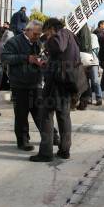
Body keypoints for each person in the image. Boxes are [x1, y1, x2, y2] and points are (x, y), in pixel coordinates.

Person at [30, 18, 81, 162]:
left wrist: (48, 41)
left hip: (57, 83)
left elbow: (58, 46)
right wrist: (47, 63)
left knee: (46, 115)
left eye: (45, 33)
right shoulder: (71, 36)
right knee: (64, 116)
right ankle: (64, 150)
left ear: (51, 29)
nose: (45, 36)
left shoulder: (62, 34)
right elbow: (62, 57)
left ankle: (46, 153)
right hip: (67, 81)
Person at [2, 20, 45, 151]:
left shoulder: (38, 43)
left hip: (35, 82)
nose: (37, 37)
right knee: (21, 114)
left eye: (39, 34)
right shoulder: (13, 42)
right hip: (19, 84)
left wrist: (41, 61)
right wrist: (26, 58)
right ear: (27, 30)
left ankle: (51, 136)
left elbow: (40, 56)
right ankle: (23, 140)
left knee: (40, 112)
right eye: (35, 34)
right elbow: (5, 58)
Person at [93, 20, 104, 91]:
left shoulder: (101, 32)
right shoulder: (97, 31)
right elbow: (101, 38)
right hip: (98, 55)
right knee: (95, 71)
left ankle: (101, 86)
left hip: (102, 55)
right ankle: (98, 87)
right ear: (100, 25)